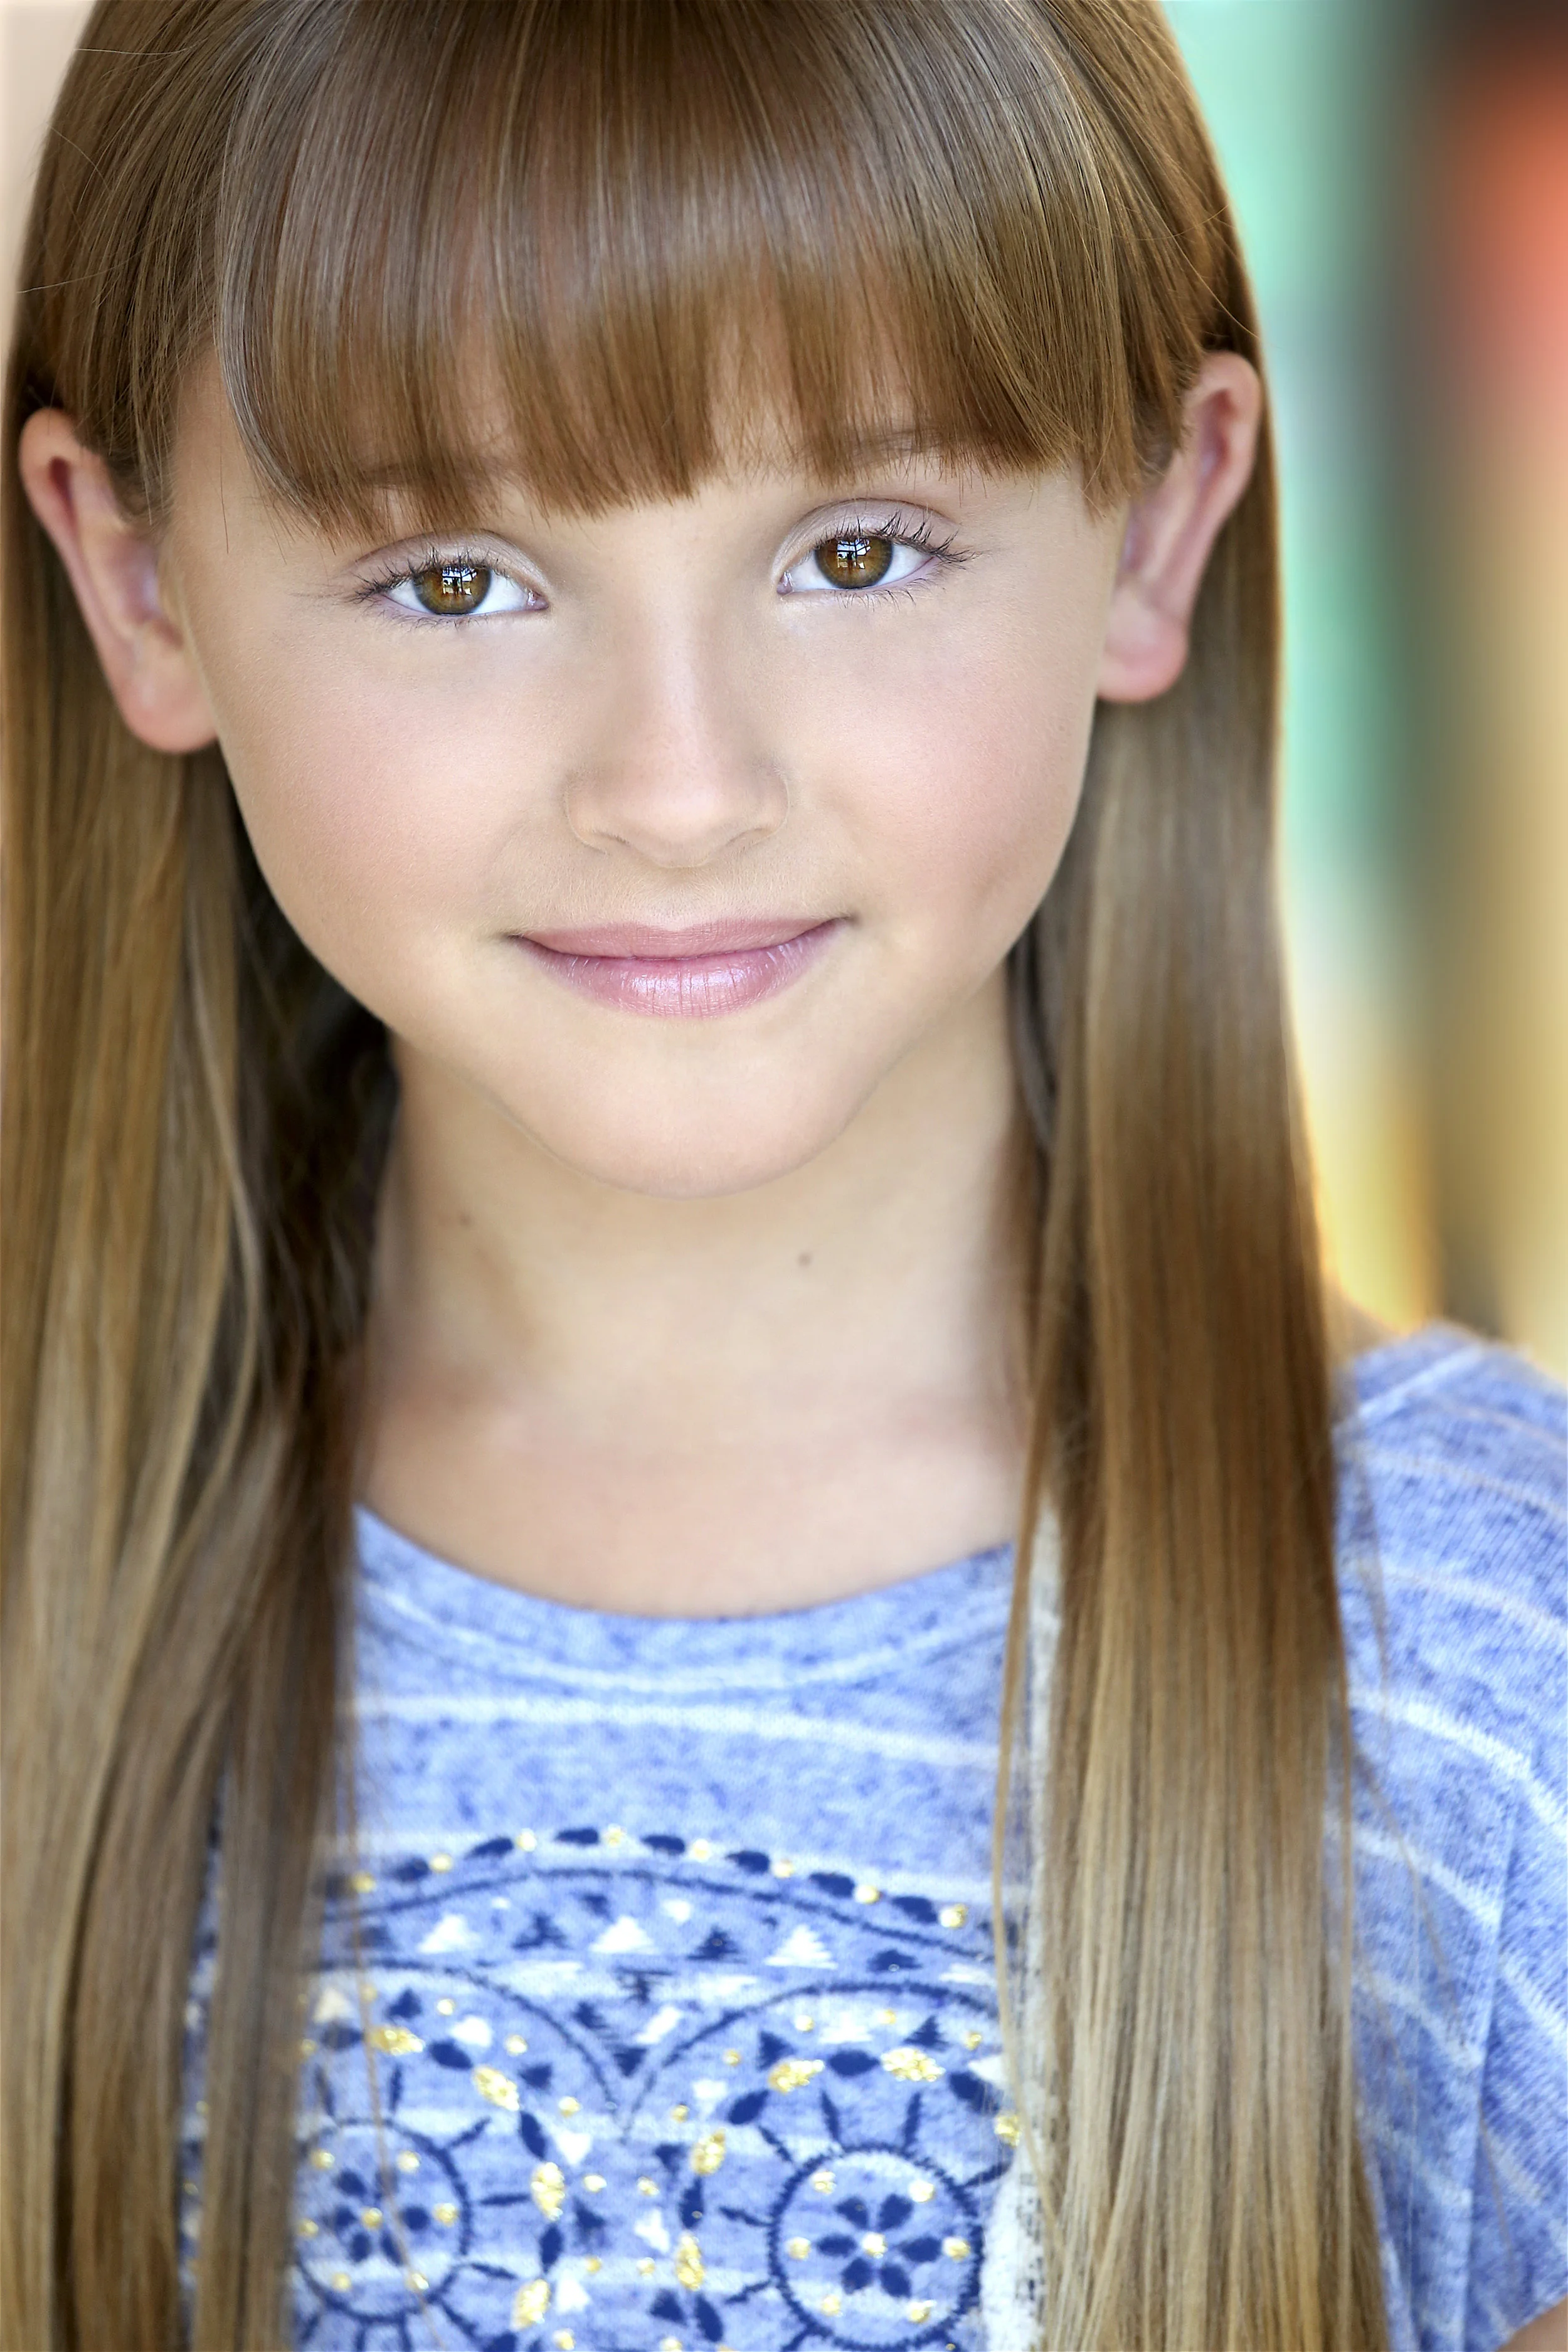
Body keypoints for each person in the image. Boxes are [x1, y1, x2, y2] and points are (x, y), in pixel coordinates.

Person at [3, 3, 1563, 2348]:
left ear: (1156, 520)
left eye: (855, 548)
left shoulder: (1494, 1659)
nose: (677, 781)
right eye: (454, 578)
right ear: (139, 587)